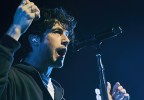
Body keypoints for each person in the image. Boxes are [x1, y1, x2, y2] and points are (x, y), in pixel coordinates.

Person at [0, 0, 130, 100]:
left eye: (67, 34)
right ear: (35, 40)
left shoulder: (57, 92)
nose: (67, 40)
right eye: (57, 32)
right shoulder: (13, 79)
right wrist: (16, 28)